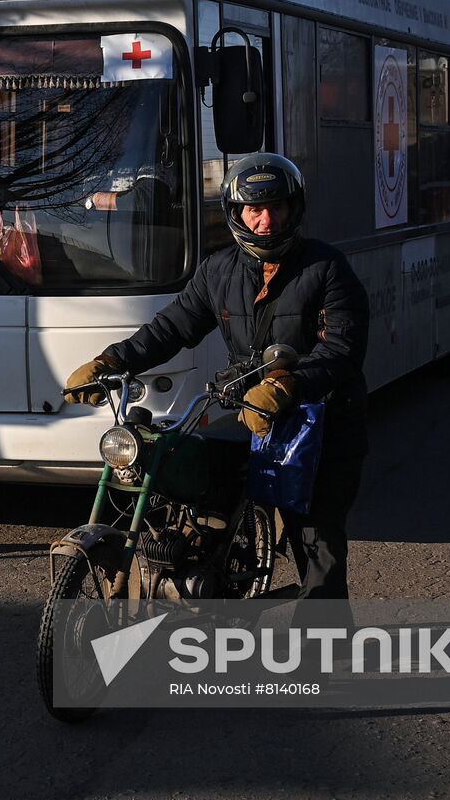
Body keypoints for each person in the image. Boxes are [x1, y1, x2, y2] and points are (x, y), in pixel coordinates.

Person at [62, 153, 370, 600]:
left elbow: (342, 349)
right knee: (191, 485)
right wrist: (111, 362)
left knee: (316, 544)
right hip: (249, 411)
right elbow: (171, 328)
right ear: (236, 213)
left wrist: (288, 383)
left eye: (276, 207)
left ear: (294, 208)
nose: (265, 220)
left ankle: (326, 638)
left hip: (320, 423)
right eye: (254, 209)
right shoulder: (218, 270)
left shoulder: (327, 268)